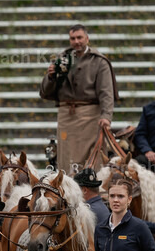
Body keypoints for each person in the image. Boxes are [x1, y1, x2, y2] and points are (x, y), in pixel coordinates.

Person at [39, 24, 118, 173]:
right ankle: (68, 189)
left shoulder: (99, 61)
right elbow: (45, 92)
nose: (76, 41)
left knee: (90, 156)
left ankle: (92, 189)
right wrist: (50, 77)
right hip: (65, 115)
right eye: (73, 38)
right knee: (66, 157)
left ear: (87, 39)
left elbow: (106, 92)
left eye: (79, 37)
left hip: (90, 114)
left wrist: (106, 116)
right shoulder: (62, 59)